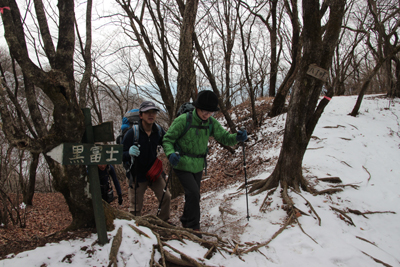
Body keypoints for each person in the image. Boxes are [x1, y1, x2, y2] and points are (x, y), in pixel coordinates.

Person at [163, 90, 247, 234]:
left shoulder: (211, 123)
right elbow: (167, 139)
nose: (206, 115)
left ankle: (186, 219)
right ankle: (193, 226)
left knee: (194, 194)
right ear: (197, 107)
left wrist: (237, 138)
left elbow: (224, 137)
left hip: (198, 164)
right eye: (204, 111)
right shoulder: (183, 120)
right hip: (181, 162)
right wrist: (170, 153)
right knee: (194, 193)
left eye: (210, 112)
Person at [122, 101, 171, 222]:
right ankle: (136, 229)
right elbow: (120, 155)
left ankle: (162, 223)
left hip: (153, 172)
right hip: (136, 174)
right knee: (135, 208)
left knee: (166, 197)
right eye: (147, 112)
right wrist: (129, 153)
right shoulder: (132, 133)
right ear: (140, 115)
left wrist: (173, 152)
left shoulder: (158, 131)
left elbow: (167, 142)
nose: (151, 115)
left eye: (153, 112)